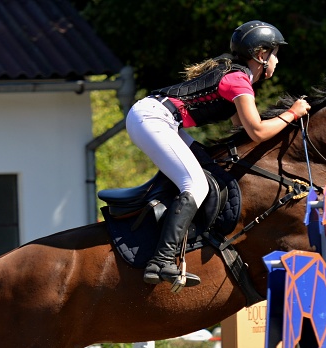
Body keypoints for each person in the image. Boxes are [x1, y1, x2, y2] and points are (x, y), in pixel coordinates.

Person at [126, 20, 311, 289]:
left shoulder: (237, 76)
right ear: (261, 55)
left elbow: (241, 125)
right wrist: (292, 113)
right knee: (196, 184)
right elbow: (257, 131)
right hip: (153, 119)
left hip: (158, 118)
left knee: (207, 165)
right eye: (275, 54)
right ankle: (162, 259)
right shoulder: (237, 80)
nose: (277, 61)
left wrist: (284, 120)